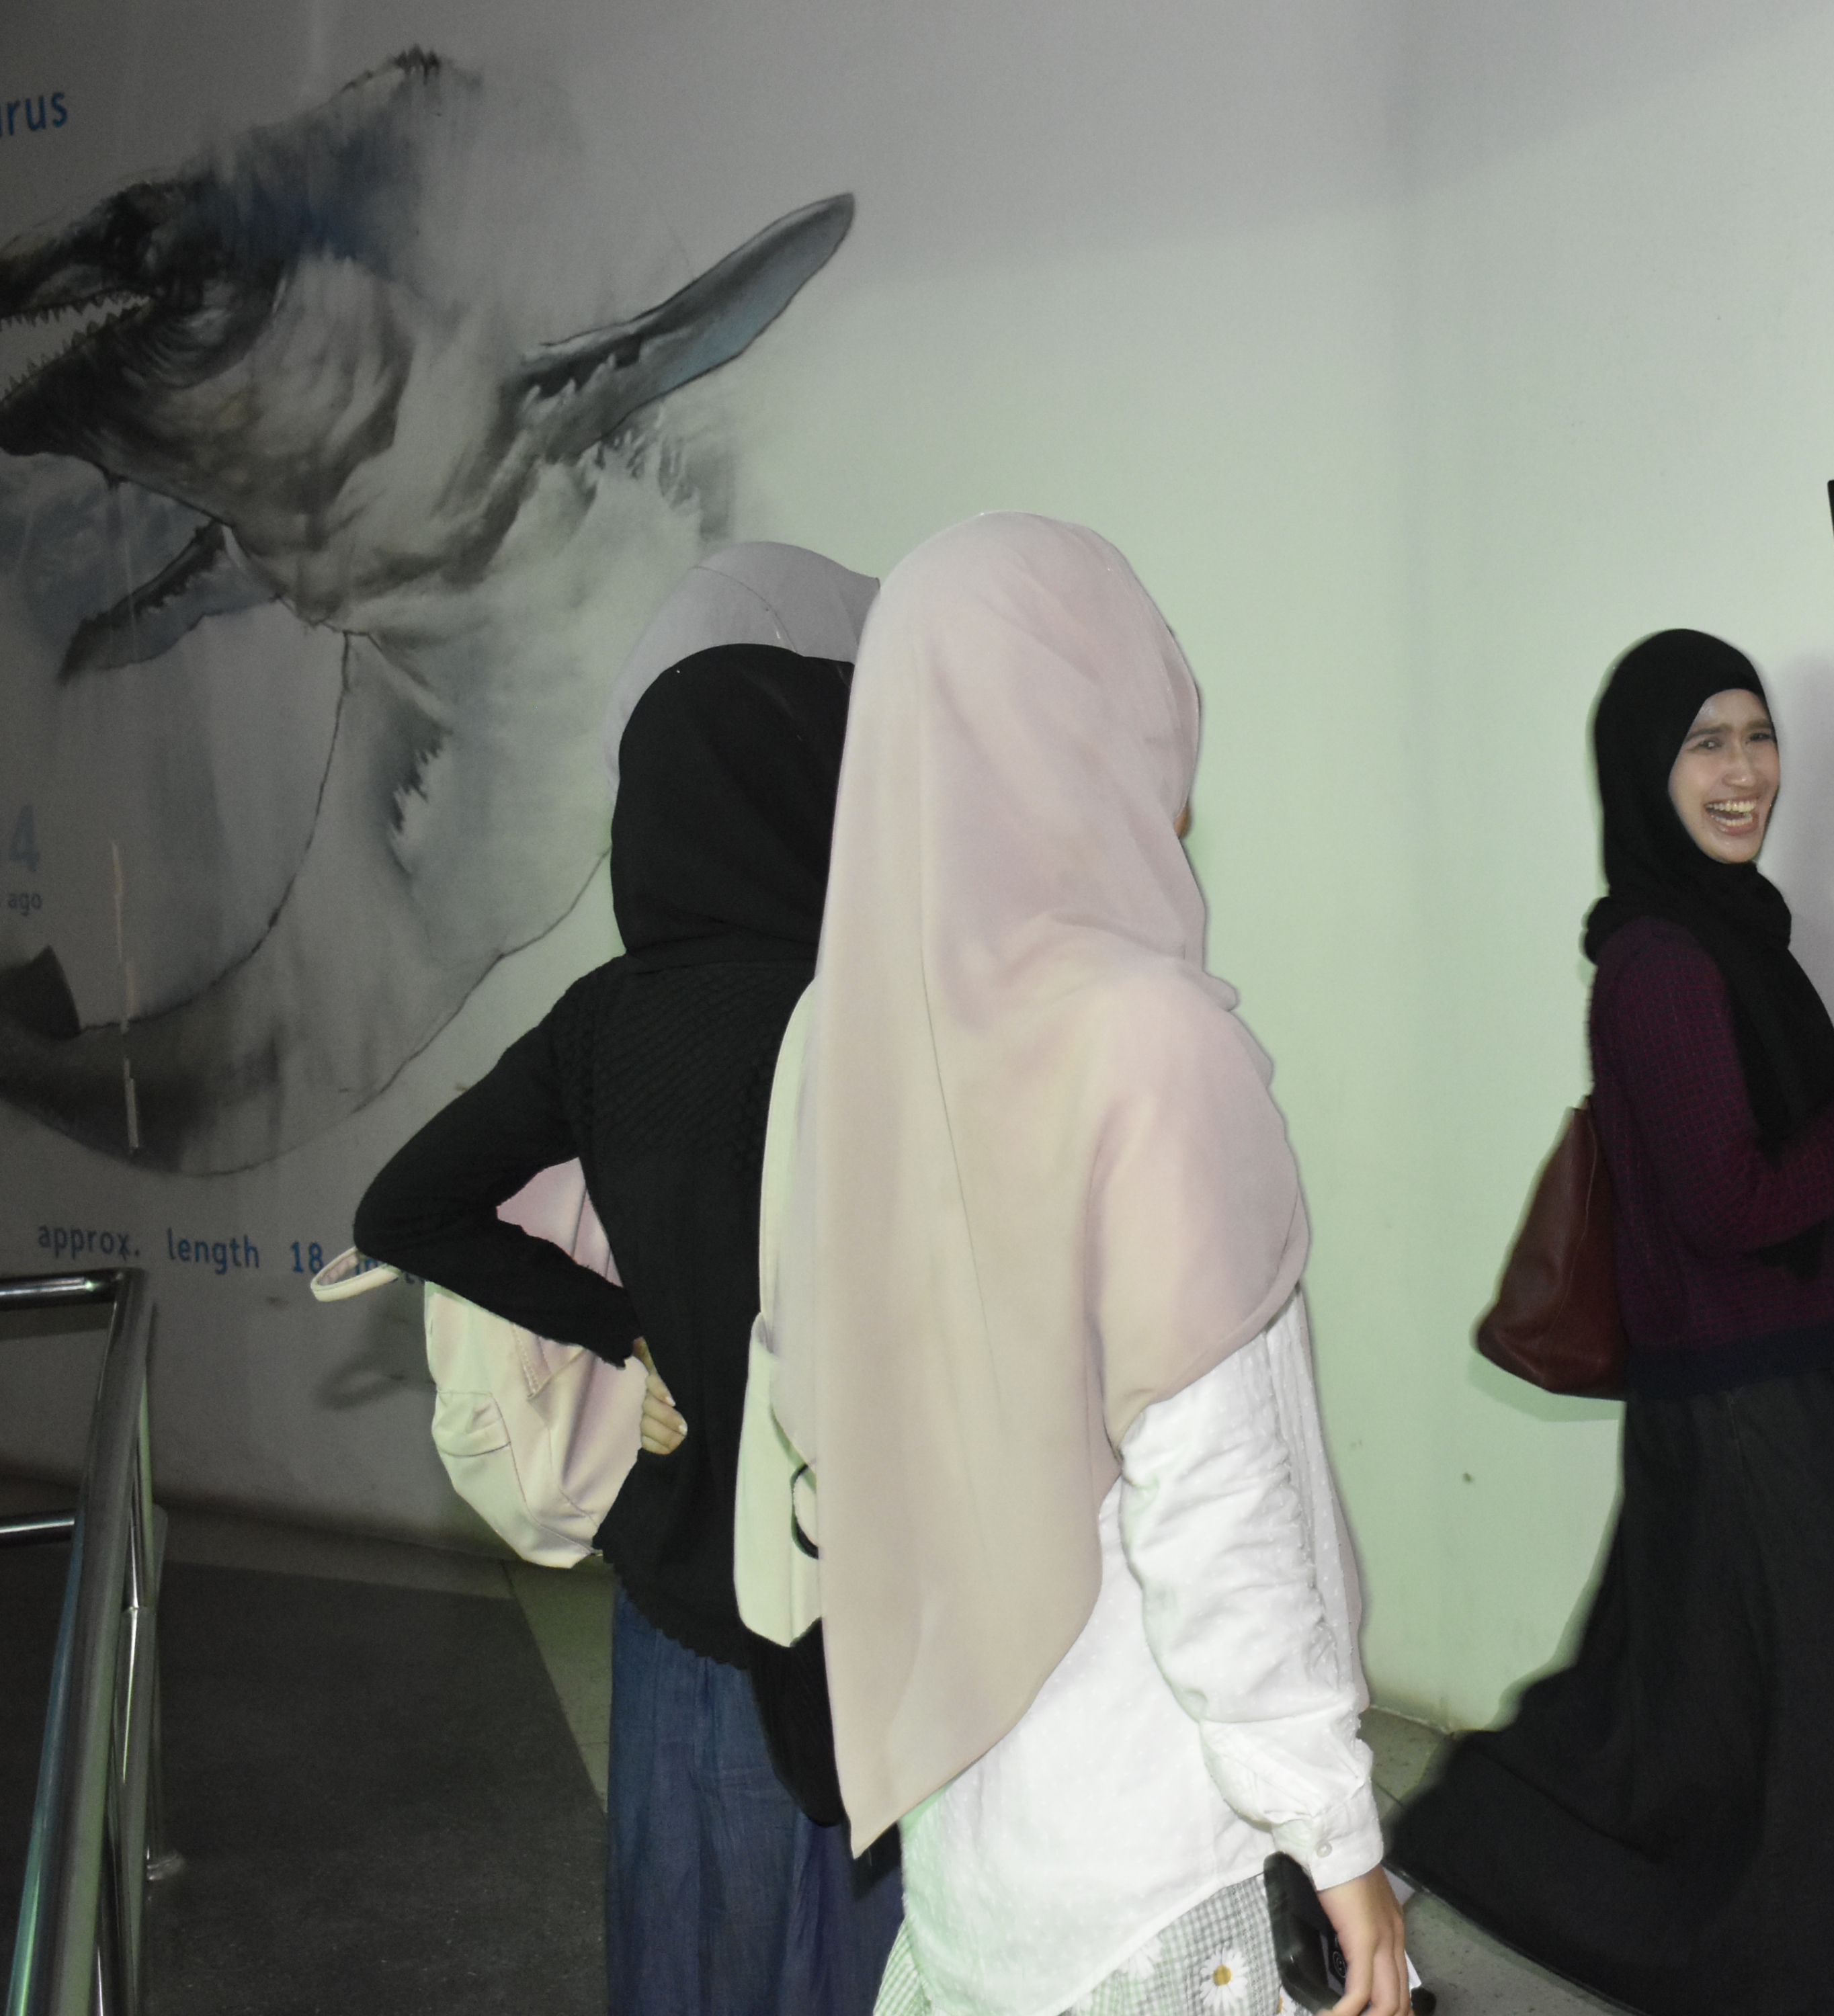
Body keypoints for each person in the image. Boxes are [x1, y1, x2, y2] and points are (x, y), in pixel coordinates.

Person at [762, 513, 1403, 2016]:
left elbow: (817, 1413)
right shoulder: (1148, 1042)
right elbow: (1216, 1491)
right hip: (1169, 1861)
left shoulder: (847, 1044)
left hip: (977, 1862)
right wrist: (1331, 1825)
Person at [1390, 628, 1834, 2015]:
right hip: (1740, 1408)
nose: (1744, 771)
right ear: (1643, 770)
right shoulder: (1660, 960)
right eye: (1705, 743)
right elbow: (1731, 1204)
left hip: (1742, 1388)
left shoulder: (1731, 935)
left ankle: (1449, 1850)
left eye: (1758, 736)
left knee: (1672, 1730)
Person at [353, 639, 904, 2016]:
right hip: (856, 1589)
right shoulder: (871, 1020)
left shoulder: (606, 1019)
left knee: (693, 1940)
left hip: (679, 1595)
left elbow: (405, 1209)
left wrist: (625, 1328)